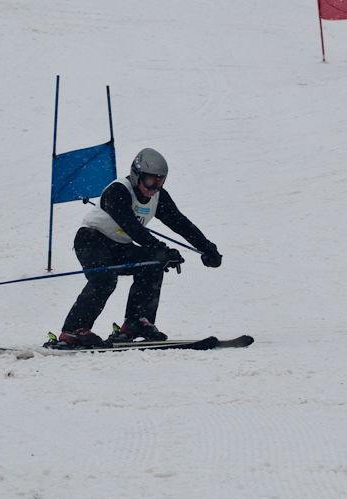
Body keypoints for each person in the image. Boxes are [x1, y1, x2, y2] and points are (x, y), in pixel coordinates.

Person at [54, 148, 223, 349]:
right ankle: (73, 330)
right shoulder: (118, 191)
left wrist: (207, 248)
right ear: (136, 175)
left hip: (119, 245)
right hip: (91, 239)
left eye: (159, 182)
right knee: (105, 278)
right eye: (150, 181)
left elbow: (180, 223)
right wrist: (160, 248)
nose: (153, 187)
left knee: (152, 263)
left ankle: (136, 322)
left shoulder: (158, 197)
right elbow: (131, 227)